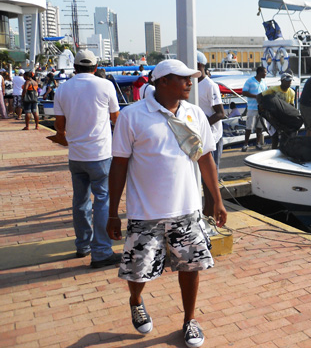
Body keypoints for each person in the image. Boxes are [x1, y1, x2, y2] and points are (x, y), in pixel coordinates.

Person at [106, 59, 226, 347]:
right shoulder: (132, 116)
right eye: (183, 78)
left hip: (187, 211)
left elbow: (206, 158)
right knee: (138, 271)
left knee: (191, 268)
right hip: (146, 213)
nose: (189, 83)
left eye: (191, 78)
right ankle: (136, 300)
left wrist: (218, 201)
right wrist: (112, 213)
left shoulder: (195, 114)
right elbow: (119, 164)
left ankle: (189, 320)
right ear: (162, 82)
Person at [53, 49, 121, 267]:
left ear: (74, 68)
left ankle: (82, 245)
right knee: (102, 200)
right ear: (94, 67)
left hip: (76, 155)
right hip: (100, 153)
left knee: (80, 200)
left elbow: (59, 126)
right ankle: (101, 251)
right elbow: (115, 118)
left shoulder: (62, 89)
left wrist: (67, 136)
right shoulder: (105, 85)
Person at [197, 51, 226, 218]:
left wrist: (200, 126)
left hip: (212, 137)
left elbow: (220, 113)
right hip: (199, 138)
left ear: (200, 66)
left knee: (210, 177)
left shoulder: (210, 85)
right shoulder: (192, 84)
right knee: (201, 177)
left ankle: (210, 211)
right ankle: (206, 210)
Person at [257, 72, 296, 149]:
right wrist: (261, 107)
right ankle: (274, 150)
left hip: (283, 116)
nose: (289, 83)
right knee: (274, 136)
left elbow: (291, 105)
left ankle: (283, 150)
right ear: (282, 81)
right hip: (272, 116)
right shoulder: (273, 89)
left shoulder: (292, 92)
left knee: (285, 135)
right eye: (287, 81)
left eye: (290, 81)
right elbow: (259, 96)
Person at [241, 66, 268, 151]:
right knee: (249, 127)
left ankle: (258, 144)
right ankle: (245, 144)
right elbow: (244, 92)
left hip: (261, 108)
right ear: (260, 72)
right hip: (252, 108)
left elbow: (266, 93)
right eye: (265, 72)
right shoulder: (250, 81)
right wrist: (256, 96)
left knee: (259, 127)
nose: (266, 74)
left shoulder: (264, 83)